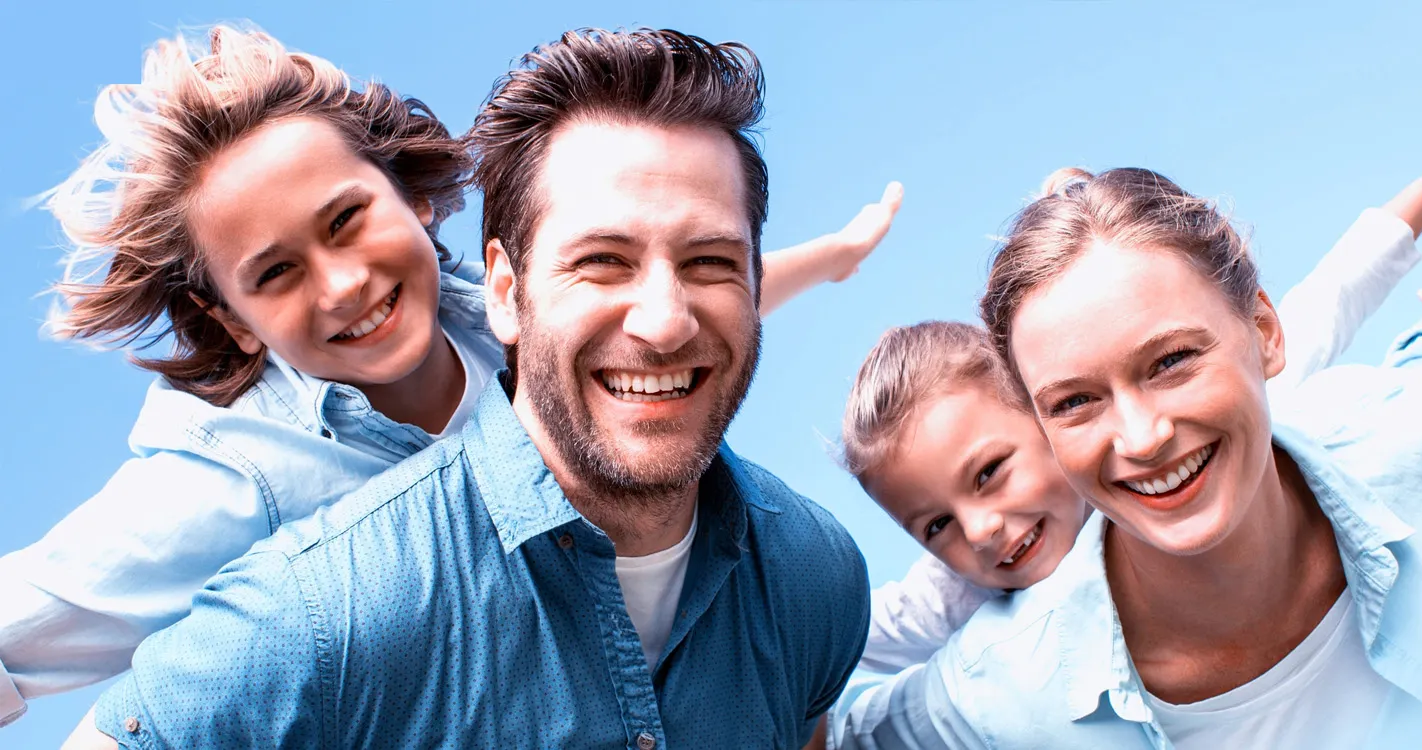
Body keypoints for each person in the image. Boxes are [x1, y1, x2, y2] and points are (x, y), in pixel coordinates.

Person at [0, 24, 897, 729]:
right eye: (276, 274)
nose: (344, 282)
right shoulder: (235, 478)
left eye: (347, 220)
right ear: (235, 319)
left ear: (414, 197)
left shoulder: (483, 312)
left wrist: (831, 258)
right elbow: (33, 614)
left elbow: (653, 316)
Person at [839, 113, 1422, 680]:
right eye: (934, 526)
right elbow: (800, 629)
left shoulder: (1212, 420)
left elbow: (1332, 302)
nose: (983, 531)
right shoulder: (959, 608)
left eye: (990, 474)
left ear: (1035, 419)